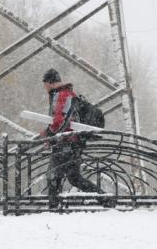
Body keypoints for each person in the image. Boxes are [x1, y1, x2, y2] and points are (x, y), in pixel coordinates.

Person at [40, 69, 115, 209]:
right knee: (74, 178)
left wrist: (48, 134)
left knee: (53, 175)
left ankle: (54, 207)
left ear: (50, 83)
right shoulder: (68, 93)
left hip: (66, 143)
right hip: (75, 143)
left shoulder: (60, 95)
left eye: (45, 84)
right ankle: (104, 199)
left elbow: (60, 122)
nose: (44, 87)